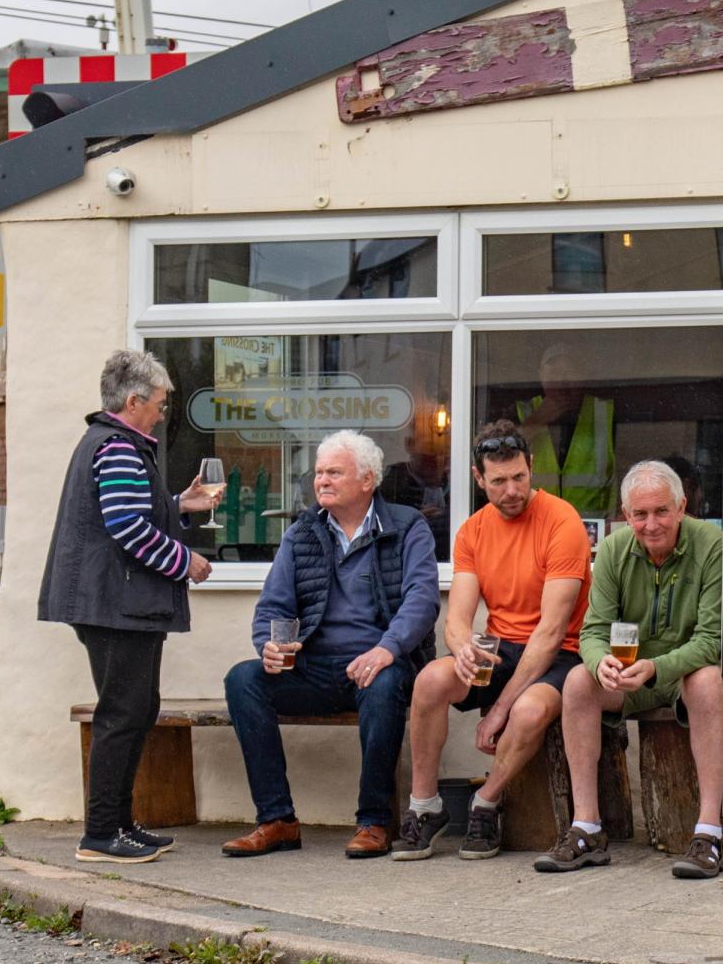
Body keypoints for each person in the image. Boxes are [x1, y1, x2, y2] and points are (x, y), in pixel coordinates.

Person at [219, 431, 441, 861]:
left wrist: (387, 648)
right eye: (319, 473)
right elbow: (273, 604)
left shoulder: (407, 525)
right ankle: (277, 819)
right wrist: (268, 645)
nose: (322, 481)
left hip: (378, 663)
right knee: (243, 679)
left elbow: (422, 599)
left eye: (334, 472)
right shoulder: (302, 532)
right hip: (315, 667)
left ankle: (374, 821)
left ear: (368, 479)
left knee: (385, 683)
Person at [35, 349, 217, 864]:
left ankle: (120, 822)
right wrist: (187, 562)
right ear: (134, 400)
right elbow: (128, 528)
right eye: (159, 403)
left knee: (138, 710)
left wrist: (179, 503)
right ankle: (100, 833)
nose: (163, 412)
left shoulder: (115, 443)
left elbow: (130, 510)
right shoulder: (117, 446)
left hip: (116, 601)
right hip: (115, 602)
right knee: (123, 713)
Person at [391, 421, 591, 862]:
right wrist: (462, 647)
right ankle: (425, 806)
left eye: (519, 477)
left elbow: (551, 632)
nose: (512, 490)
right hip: (500, 647)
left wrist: (498, 710)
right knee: (430, 681)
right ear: (478, 479)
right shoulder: (473, 531)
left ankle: (487, 803)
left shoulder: (563, 522)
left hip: (560, 653)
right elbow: (457, 618)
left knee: (528, 709)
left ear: (531, 467)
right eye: (498, 481)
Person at [536, 459, 723, 879]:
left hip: (682, 673)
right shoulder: (611, 548)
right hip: (630, 675)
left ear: (681, 507)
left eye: (661, 511)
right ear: (626, 515)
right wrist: (599, 662)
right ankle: (586, 828)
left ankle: (710, 831)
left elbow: (712, 640)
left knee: (710, 682)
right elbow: (592, 631)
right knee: (578, 682)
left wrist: (656, 667)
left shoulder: (710, 543)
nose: (651, 524)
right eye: (639, 514)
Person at [516, 341, 616, 519]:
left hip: (591, 535)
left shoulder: (605, 413)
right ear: (540, 376)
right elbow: (498, 461)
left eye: (569, 372)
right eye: (553, 372)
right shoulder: (523, 412)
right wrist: (538, 419)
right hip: (537, 531)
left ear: (582, 377)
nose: (561, 381)